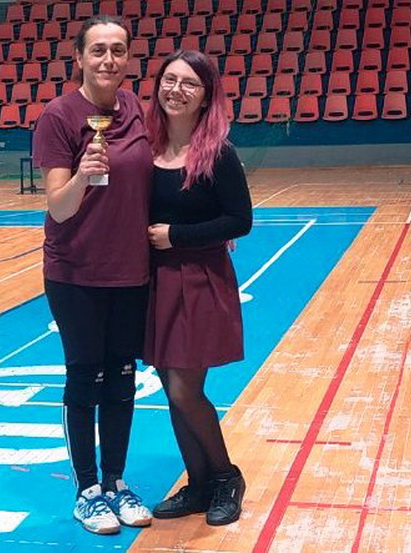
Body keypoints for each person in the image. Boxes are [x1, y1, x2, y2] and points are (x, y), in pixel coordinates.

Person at [31, 15, 154, 535]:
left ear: (128, 58)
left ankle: (117, 482)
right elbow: (59, 207)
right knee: (85, 376)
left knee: (123, 377)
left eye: (118, 50)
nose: (109, 59)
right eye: (98, 50)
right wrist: (83, 173)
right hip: (76, 273)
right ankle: (87, 490)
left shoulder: (135, 109)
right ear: (79, 57)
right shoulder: (58, 117)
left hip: (131, 270)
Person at [143, 50, 252, 526]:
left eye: (189, 83)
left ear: (206, 96)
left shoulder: (218, 153)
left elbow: (240, 221)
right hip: (155, 281)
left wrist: (177, 236)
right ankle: (199, 482)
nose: (177, 90)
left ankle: (227, 477)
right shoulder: (146, 149)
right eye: (170, 80)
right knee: (170, 388)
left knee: (185, 389)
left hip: (200, 278)